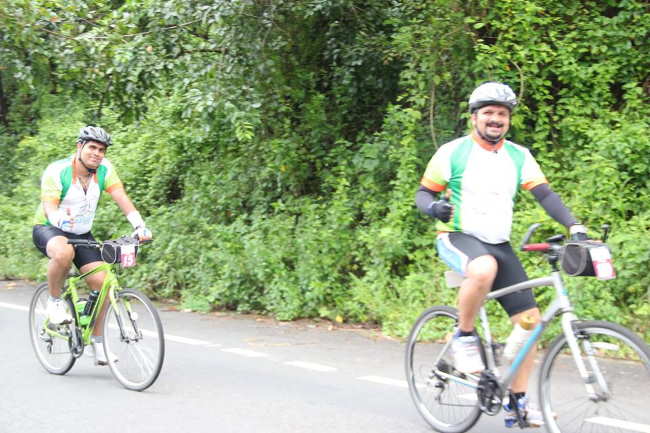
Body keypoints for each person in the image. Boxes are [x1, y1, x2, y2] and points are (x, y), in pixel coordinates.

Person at [415, 82, 587, 428]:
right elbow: (423, 193)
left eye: (502, 114)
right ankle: (464, 336)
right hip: (457, 236)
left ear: (508, 120)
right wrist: (433, 208)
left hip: (499, 243)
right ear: (474, 117)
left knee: (530, 324)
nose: (495, 119)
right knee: (483, 268)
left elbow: (545, 195)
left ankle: (518, 404)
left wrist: (575, 225)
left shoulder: (519, 155)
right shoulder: (453, 152)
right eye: (489, 113)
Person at [32, 125, 152, 365]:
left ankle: (98, 345)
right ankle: (55, 303)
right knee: (64, 252)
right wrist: (60, 220)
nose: (97, 153)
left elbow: (121, 197)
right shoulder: (58, 171)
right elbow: (50, 207)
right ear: (80, 147)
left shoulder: (105, 170)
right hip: (50, 227)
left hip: (82, 232)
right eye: (92, 148)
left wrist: (139, 225)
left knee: (103, 283)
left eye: (101, 150)